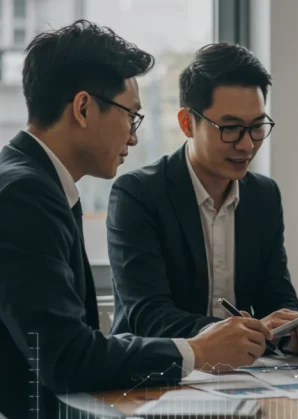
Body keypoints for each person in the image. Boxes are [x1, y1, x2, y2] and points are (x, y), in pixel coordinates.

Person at [0, 21, 272, 418]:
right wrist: (197, 350)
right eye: (131, 115)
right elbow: (66, 358)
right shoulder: (25, 195)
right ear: (83, 108)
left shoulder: (38, 183)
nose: (133, 136)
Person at [107, 43, 298, 356]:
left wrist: (294, 330)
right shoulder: (138, 194)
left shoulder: (263, 196)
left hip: (243, 375)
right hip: (156, 372)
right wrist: (229, 333)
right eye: (230, 128)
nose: (246, 144)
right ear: (187, 123)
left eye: (256, 128)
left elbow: (277, 296)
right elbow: (146, 315)